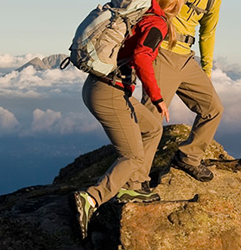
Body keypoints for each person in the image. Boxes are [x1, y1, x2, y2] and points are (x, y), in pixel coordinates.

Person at [72, 0, 183, 239]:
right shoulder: (156, 22)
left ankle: (134, 186)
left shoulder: (140, 14)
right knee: (131, 155)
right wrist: (157, 97)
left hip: (100, 87)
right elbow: (142, 57)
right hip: (109, 92)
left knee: (152, 128)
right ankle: (92, 197)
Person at [144, 0, 222, 182]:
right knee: (152, 118)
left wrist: (207, 70)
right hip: (162, 51)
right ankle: (135, 181)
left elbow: (208, 33)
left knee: (213, 109)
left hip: (186, 58)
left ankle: (189, 157)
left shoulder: (213, 1)